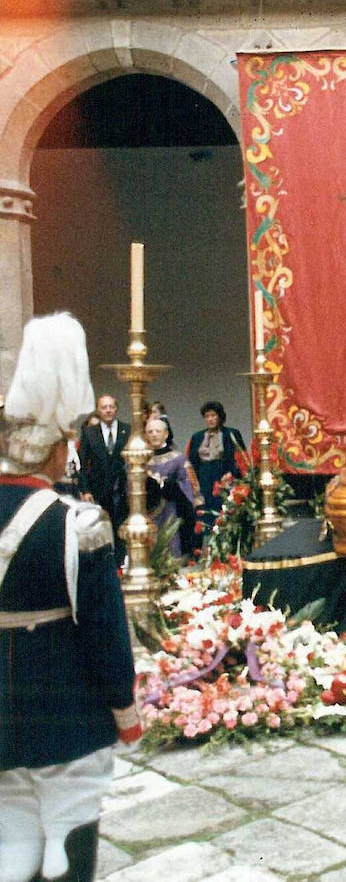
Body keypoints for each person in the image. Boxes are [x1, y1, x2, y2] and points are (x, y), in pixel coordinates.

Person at [0, 312, 141, 882]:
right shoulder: (78, 523)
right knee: (67, 839)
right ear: (60, 450)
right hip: (66, 707)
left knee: (11, 836)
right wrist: (124, 709)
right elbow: (106, 632)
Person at [145, 416, 201, 559]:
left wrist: (166, 486)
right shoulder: (140, 459)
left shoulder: (178, 459)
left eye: (158, 431)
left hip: (170, 511)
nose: (154, 434)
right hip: (146, 514)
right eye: (150, 431)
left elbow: (187, 487)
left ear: (166, 434)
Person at [184, 400, 246, 521]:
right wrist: (194, 484)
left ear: (220, 416)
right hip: (204, 477)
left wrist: (232, 474)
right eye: (207, 416)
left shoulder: (231, 433)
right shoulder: (197, 437)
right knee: (206, 511)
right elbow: (192, 461)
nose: (210, 419)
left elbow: (241, 457)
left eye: (213, 415)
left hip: (223, 475)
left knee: (224, 510)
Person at [76, 394, 128, 532]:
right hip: (98, 491)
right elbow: (81, 463)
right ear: (98, 410)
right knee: (102, 530)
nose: (108, 410)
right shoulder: (89, 433)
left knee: (122, 531)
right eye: (104, 407)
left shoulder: (128, 430)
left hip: (123, 491)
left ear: (117, 409)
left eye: (111, 406)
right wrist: (85, 490)